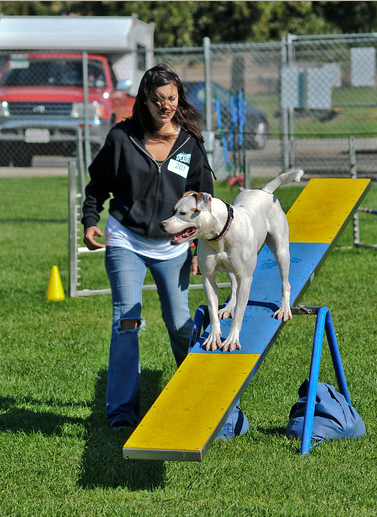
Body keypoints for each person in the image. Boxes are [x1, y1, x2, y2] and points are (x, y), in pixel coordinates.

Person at [81, 63, 214, 429]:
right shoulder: (122, 138)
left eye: (171, 98)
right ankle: (122, 414)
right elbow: (97, 185)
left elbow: (205, 201)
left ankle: (200, 395)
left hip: (173, 248)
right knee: (128, 320)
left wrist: (203, 246)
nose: (165, 105)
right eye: (158, 100)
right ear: (145, 99)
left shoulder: (190, 142)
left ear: (178, 97)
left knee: (180, 323)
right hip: (126, 238)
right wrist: (90, 221)